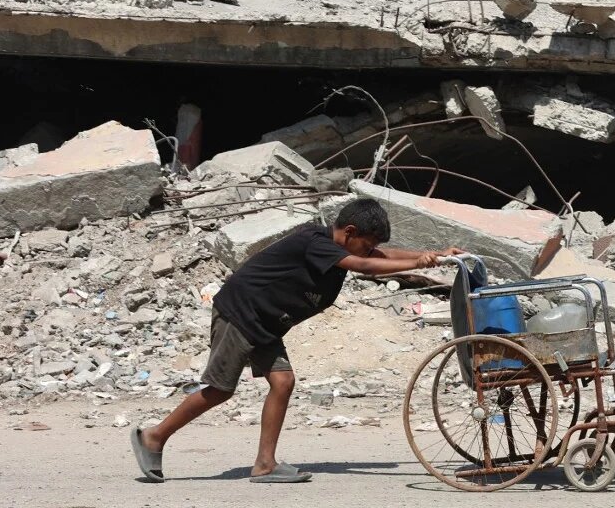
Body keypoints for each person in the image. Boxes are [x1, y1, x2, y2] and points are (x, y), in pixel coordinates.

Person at [130, 198, 462, 483]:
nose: (370, 249)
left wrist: (434, 255)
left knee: (283, 382)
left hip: (265, 323)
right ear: (349, 233)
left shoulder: (340, 248)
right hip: (241, 314)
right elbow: (366, 264)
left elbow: (381, 255)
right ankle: (153, 437)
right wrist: (417, 262)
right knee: (220, 390)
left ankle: (265, 464)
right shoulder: (317, 242)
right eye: (366, 242)